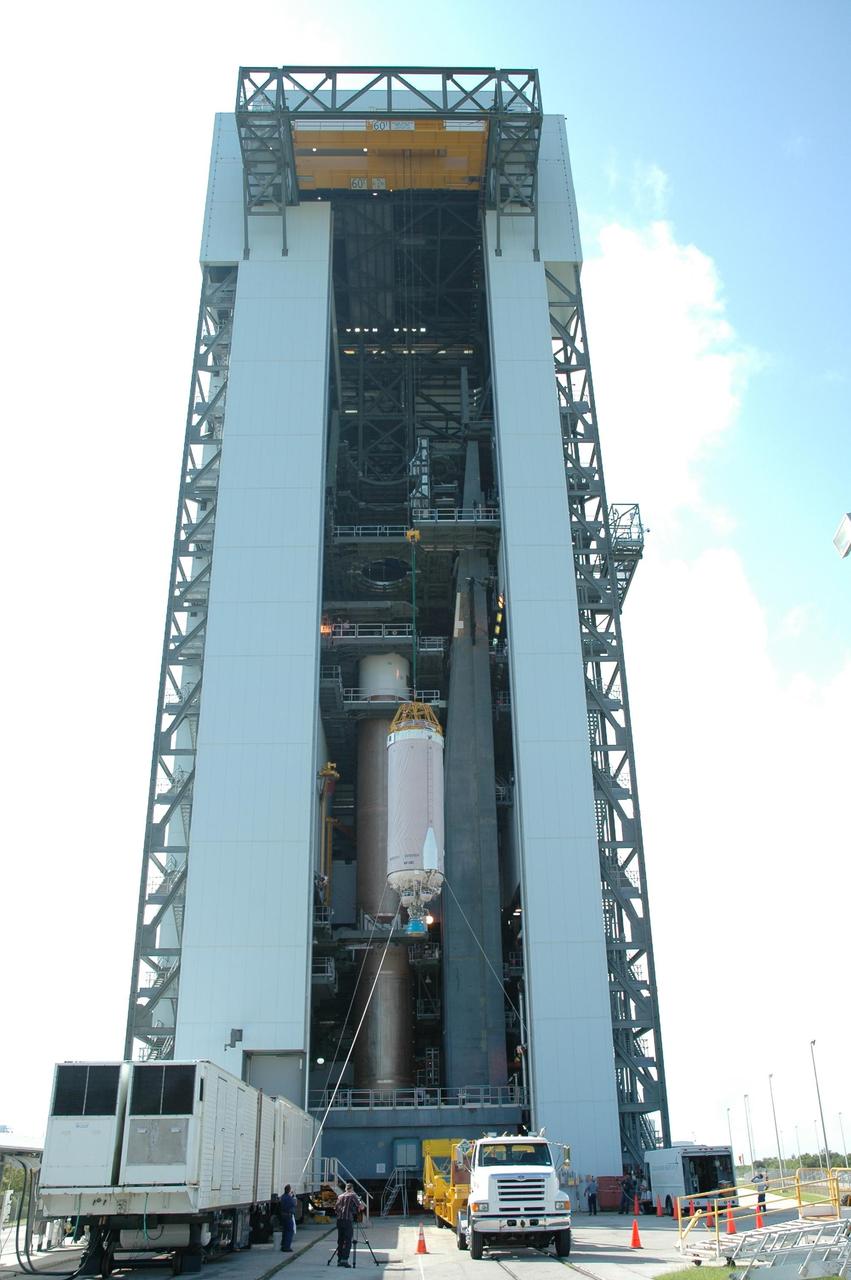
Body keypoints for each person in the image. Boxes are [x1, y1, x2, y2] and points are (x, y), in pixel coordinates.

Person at [334, 1182, 365, 1268]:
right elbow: (361, 1207)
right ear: (352, 1189)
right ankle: (345, 1260)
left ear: (345, 1189)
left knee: (340, 1240)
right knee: (347, 1240)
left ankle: (339, 1260)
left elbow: (335, 1209)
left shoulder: (340, 1196)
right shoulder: (352, 1195)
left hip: (339, 1220)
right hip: (348, 1220)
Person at [280, 1184, 297, 1252]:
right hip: (288, 1216)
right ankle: (287, 1247)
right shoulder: (289, 1198)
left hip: (283, 1215)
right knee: (290, 1231)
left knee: (285, 1231)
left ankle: (283, 1245)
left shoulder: (283, 1197)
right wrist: (294, 1197)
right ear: (289, 1190)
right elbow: (294, 1204)